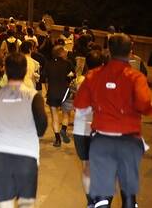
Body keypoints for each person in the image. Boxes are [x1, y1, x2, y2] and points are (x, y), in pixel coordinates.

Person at [74, 33, 152, 208]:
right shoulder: (137, 77)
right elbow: (146, 107)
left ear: (108, 51)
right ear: (131, 52)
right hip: (129, 141)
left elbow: (80, 104)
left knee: (102, 195)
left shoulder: (94, 75)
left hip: (101, 140)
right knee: (129, 194)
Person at [0, 53, 48, 208]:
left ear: (6, 71)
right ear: (25, 71)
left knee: (4, 205)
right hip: (27, 156)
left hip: (1, 157)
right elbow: (42, 126)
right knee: (26, 204)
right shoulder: (33, 96)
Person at [73, 50, 105, 208]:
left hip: (80, 129)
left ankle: (90, 201)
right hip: (100, 129)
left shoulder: (80, 80)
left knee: (86, 166)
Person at [44, 45, 74, 147]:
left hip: (52, 92)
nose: (66, 53)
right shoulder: (68, 63)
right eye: (65, 52)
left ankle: (57, 139)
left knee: (54, 116)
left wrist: (48, 90)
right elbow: (73, 76)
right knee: (66, 114)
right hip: (65, 93)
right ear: (61, 53)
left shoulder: (48, 64)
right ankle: (64, 130)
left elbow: (44, 79)